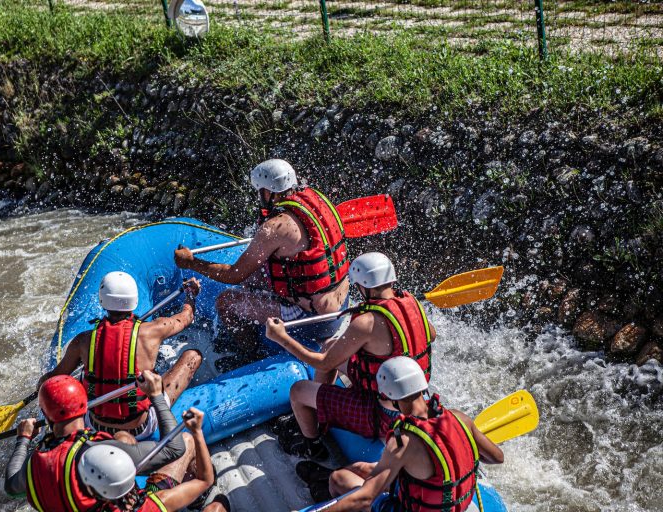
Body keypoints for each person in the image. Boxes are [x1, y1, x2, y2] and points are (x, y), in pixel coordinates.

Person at [173, 159, 351, 359]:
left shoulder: (275, 227)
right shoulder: (316, 200)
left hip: (315, 321)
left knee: (226, 301)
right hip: (340, 304)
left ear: (268, 192)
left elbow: (233, 276)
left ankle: (247, 355)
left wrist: (191, 263)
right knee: (253, 279)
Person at [265, 252, 436, 458]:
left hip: (381, 414)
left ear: (363, 285)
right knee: (330, 345)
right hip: (408, 397)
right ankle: (320, 409)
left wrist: (281, 337)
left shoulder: (366, 323)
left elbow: (323, 363)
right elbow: (431, 335)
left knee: (298, 391)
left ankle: (312, 445)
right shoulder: (412, 303)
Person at [322, 357, 504, 512]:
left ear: (391, 398)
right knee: (361, 468)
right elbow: (497, 457)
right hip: (453, 504)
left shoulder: (403, 441)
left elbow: (365, 498)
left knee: (339, 479)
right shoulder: (459, 418)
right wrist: (461, 450)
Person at [39, 271, 203, 440]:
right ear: (134, 299)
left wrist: (41, 384)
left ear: (103, 300)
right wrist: (191, 295)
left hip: (94, 425)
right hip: (142, 427)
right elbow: (186, 317)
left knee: (82, 375)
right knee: (192, 356)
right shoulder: (155, 330)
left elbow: (51, 381)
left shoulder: (84, 341)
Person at [4, 372, 192, 511]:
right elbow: (174, 448)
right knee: (187, 439)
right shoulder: (100, 452)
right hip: (128, 506)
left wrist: (23, 439)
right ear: (85, 404)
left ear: (46, 415)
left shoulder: (34, 463)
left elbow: (11, 486)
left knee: (122, 436)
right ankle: (198, 501)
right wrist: (157, 396)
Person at [75, 408, 222, 512]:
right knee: (216, 507)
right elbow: (205, 480)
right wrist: (197, 431)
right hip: (148, 504)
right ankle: (197, 499)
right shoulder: (153, 505)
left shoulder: (82, 499)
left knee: (123, 437)